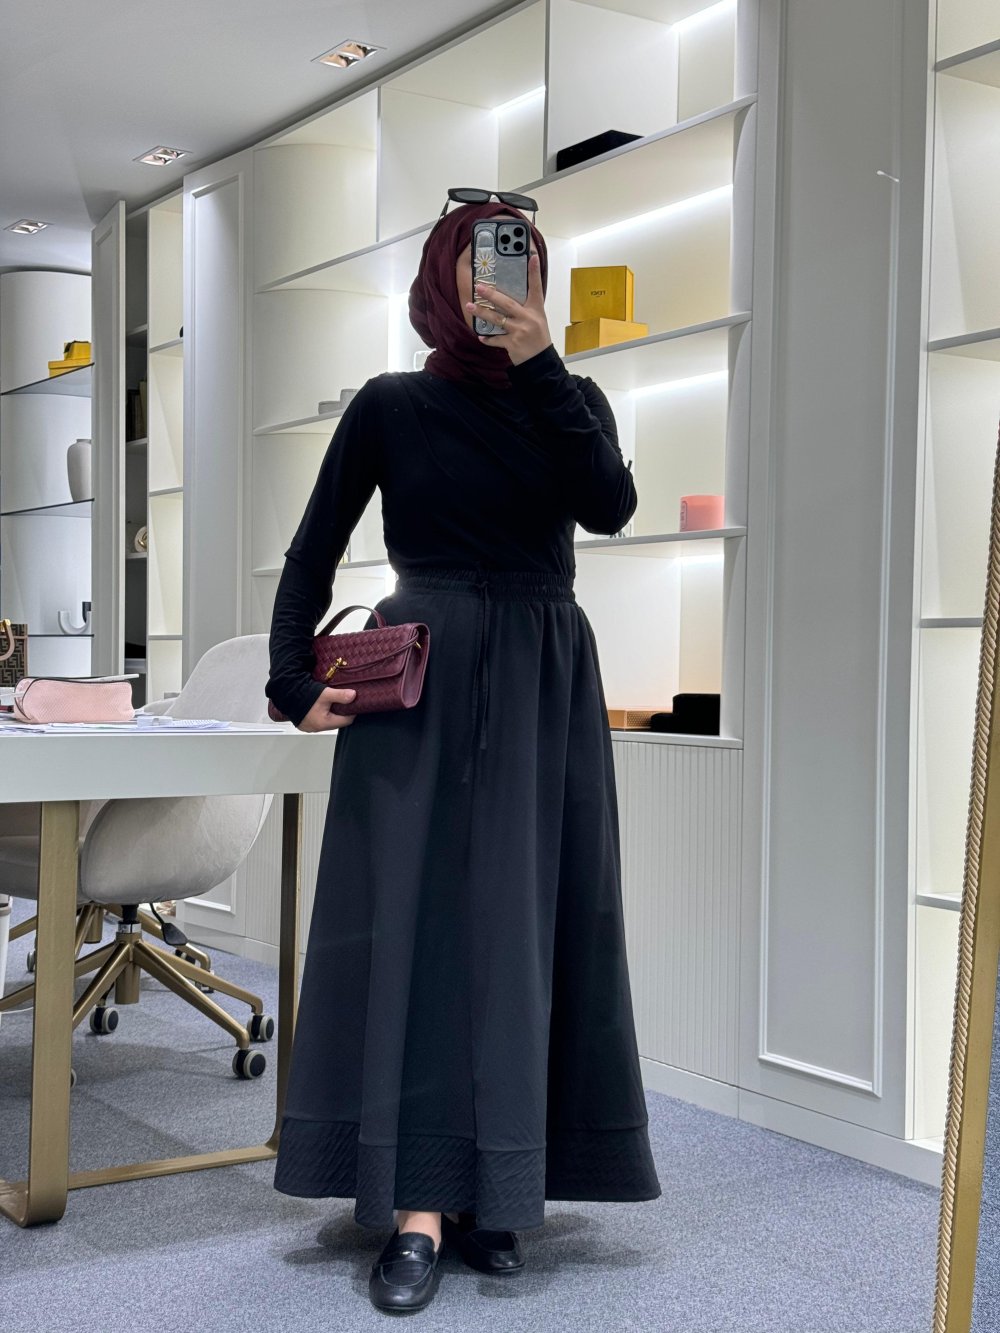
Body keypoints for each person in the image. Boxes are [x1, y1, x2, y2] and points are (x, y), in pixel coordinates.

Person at [265, 195, 661, 1315]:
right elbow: (314, 544)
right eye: (484, 258)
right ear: (446, 272)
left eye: (520, 260)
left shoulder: (571, 399)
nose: (500, 279)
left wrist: (542, 365)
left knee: (529, 931)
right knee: (420, 933)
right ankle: (420, 1206)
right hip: (422, 686)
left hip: (544, 683)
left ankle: (502, 1190)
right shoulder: (390, 405)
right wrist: (289, 680)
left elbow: (610, 507)